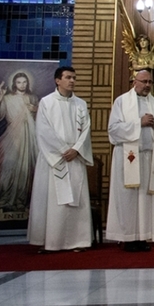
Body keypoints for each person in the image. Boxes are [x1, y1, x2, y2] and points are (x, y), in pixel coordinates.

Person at [27, 66, 92, 252]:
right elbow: (43, 130)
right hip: (54, 159)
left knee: (75, 201)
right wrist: (64, 150)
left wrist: (76, 150)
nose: (72, 81)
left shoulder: (80, 104)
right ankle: (51, 241)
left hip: (74, 159)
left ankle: (77, 241)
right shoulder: (47, 103)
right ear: (57, 80)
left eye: (74, 78)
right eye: (68, 77)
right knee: (54, 202)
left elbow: (86, 130)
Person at [105, 69, 154, 251]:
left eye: (149, 82)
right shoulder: (122, 102)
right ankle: (128, 237)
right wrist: (139, 122)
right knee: (128, 198)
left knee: (146, 198)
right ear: (134, 82)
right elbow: (113, 129)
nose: (147, 85)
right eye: (144, 81)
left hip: (148, 157)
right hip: (128, 157)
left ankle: (144, 236)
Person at [0, 72, 39, 210]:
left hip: (28, 138)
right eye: (19, 82)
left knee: (24, 169)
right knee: (8, 166)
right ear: (14, 83)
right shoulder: (8, 98)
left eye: (25, 82)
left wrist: (35, 111)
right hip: (12, 137)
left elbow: (41, 120)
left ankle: (21, 199)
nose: (22, 85)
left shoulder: (32, 98)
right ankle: (5, 197)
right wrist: (0, 98)